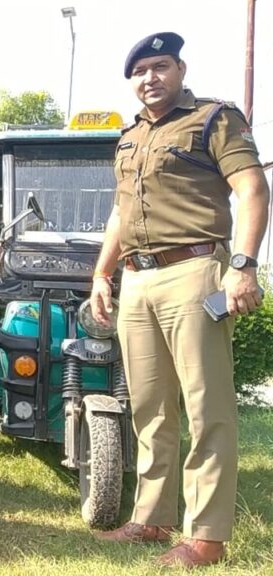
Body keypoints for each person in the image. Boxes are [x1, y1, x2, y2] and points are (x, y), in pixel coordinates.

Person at [91, 33, 269, 568]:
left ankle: (206, 537)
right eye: (140, 71)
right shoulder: (129, 137)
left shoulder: (214, 118)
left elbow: (252, 189)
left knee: (206, 408)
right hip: (137, 280)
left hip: (195, 270)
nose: (150, 78)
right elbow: (121, 212)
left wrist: (243, 265)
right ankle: (151, 519)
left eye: (161, 66)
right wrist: (101, 273)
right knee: (149, 408)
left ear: (180, 70)